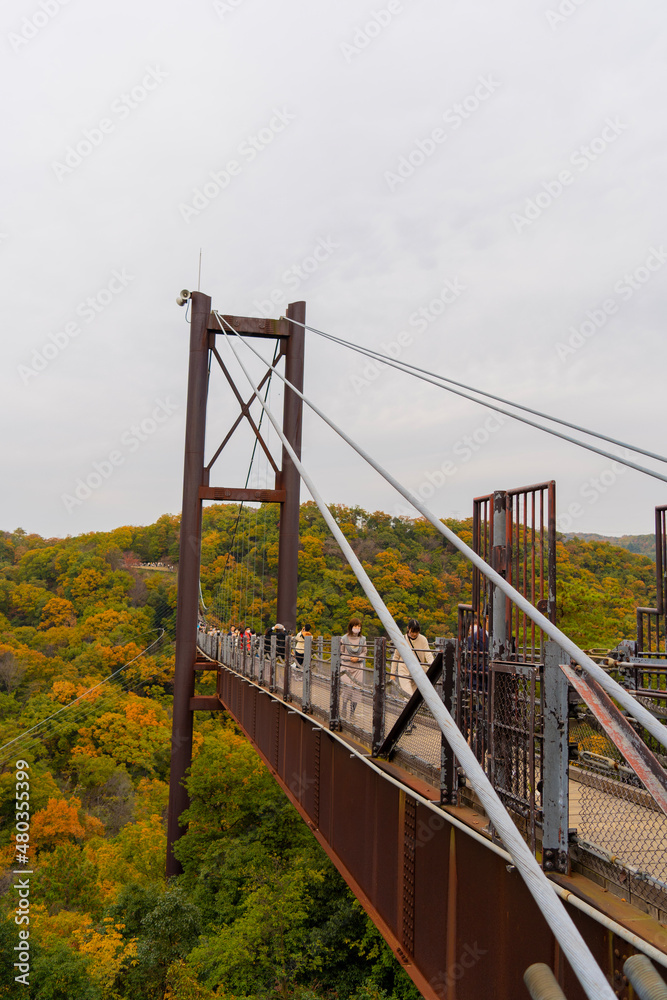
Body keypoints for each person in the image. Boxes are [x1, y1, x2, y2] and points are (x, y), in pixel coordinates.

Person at [391, 619, 433, 696]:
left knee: (415, 698)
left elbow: (428, 654)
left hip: (418, 671)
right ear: (408, 628)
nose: (414, 634)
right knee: (408, 696)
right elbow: (396, 657)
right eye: (412, 631)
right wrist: (392, 674)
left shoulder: (423, 639)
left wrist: (432, 665)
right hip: (404, 671)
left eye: (417, 632)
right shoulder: (402, 639)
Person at [340, 618, 367, 718]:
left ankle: (352, 713)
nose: (357, 628)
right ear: (351, 627)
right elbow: (341, 653)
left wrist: (358, 658)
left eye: (359, 626)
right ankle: (344, 707)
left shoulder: (363, 639)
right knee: (347, 688)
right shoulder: (344, 638)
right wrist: (350, 658)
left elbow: (364, 652)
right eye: (355, 626)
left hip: (358, 667)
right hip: (346, 667)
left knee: (357, 690)